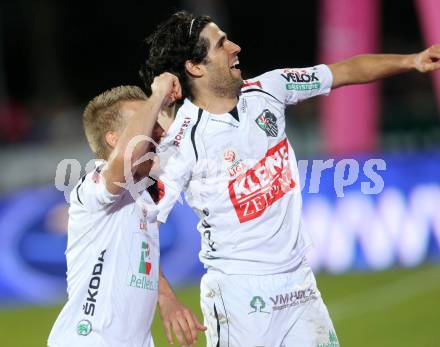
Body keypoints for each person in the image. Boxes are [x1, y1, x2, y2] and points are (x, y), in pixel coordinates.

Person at [140, 11, 440, 347]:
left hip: (300, 284)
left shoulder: (270, 89)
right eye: (221, 44)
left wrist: (413, 60)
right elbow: (139, 224)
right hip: (240, 299)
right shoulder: (182, 143)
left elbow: (344, 71)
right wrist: (166, 299)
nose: (235, 47)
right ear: (195, 67)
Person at [48, 74, 206, 347]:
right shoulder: (92, 186)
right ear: (113, 139)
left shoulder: (143, 193)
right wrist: (156, 97)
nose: (155, 129)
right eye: (143, 122)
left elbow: (140, 253)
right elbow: (125, 159)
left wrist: (166, 297)